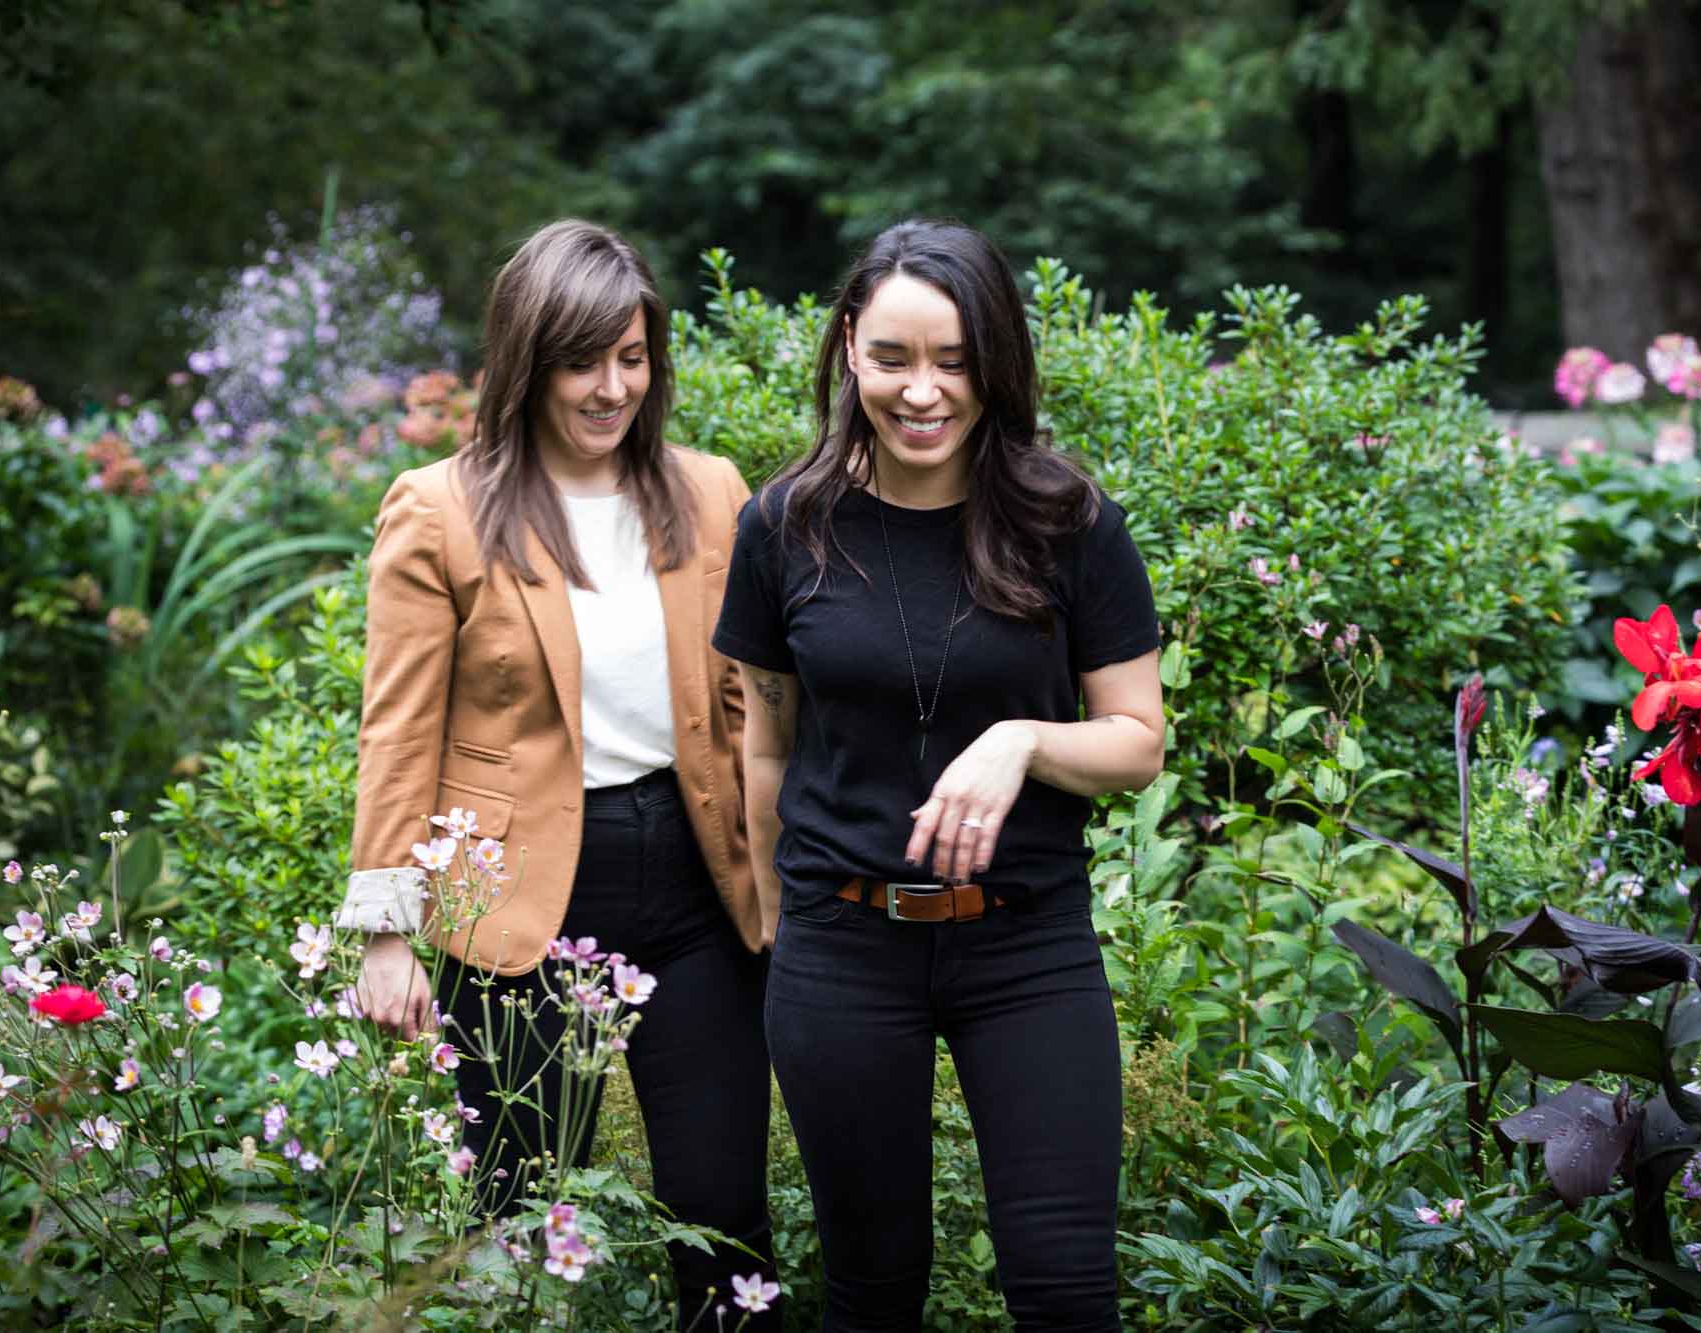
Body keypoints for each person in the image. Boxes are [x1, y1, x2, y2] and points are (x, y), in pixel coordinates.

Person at [712, 219, 1163, 1331]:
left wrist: (1025, 739)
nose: (923, 392)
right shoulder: (783, 526)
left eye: (955, 361)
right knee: (871, 1294)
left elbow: (1137, 741)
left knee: (1066, 1295)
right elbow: (766, 741)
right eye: (893, 358)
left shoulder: (1068, 521)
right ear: (848, 349)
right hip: (843, 945)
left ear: (995, 362)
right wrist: (776, 915)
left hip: (1026, 945)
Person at [337, 219, 778, 1327]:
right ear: (527, 361)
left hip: (697, 886)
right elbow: (398, 731)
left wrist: (793, 877)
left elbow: (754, 709)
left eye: (633, 358)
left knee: (726, 1221)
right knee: (520, 1228)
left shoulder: (710, 492)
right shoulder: (440, 508)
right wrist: (386, 931)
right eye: (584, 361)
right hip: (515, 898)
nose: (611, 388)